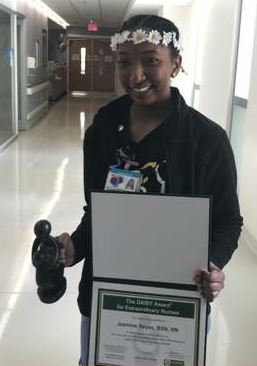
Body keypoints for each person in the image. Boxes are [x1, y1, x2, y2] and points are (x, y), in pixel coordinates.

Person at [57, 14, 243, 365]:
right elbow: (96, 210)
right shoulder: (102, 131)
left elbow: (227, 221)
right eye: (125, 62)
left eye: (150, 61)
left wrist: (212, 265)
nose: (135, 75)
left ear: (176, 64)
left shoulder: (206, 141)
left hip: (175, 301)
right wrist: (74, 248)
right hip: (108, 297)